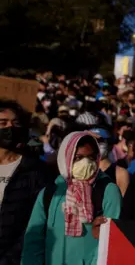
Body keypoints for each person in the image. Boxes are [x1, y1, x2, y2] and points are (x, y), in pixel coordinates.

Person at [22, 132, 122, 265]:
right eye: (78, 158)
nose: (86, 163)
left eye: (91, 157)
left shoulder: (108, 190)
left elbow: (113, 244)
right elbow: (33, 241)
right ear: (66, 158)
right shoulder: (51, 192)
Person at [0, 100, 48, 264]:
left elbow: (35, 221)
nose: (9, 128)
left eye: (15, 123)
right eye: (3, 123)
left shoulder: (34, 170)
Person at [89, 128, 130, 196]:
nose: (96, 144)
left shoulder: (120, 173)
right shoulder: (82, 171)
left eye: (100, 141)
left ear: (110, 145)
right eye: (92, 141)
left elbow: (122, 204)